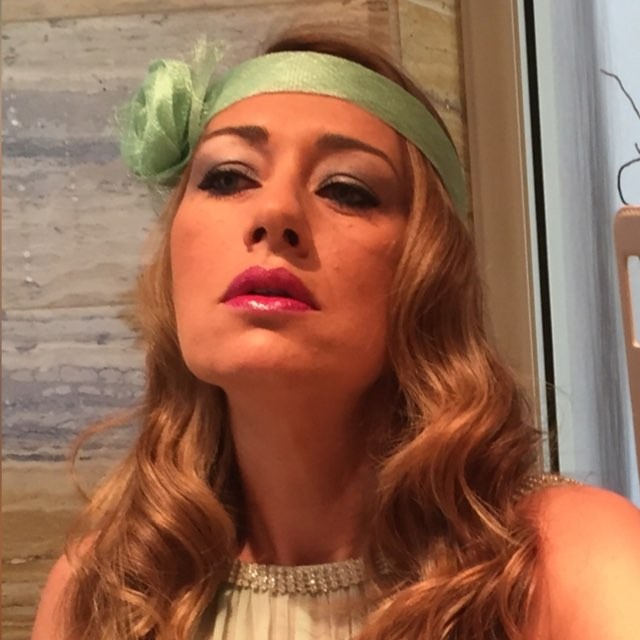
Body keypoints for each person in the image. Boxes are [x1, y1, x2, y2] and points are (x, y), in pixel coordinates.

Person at [32, 27, 640, 640]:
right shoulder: (100, 593)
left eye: (346, 189)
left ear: (427, 272)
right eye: (229, 177)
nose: (275, 213)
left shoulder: (572, 565)